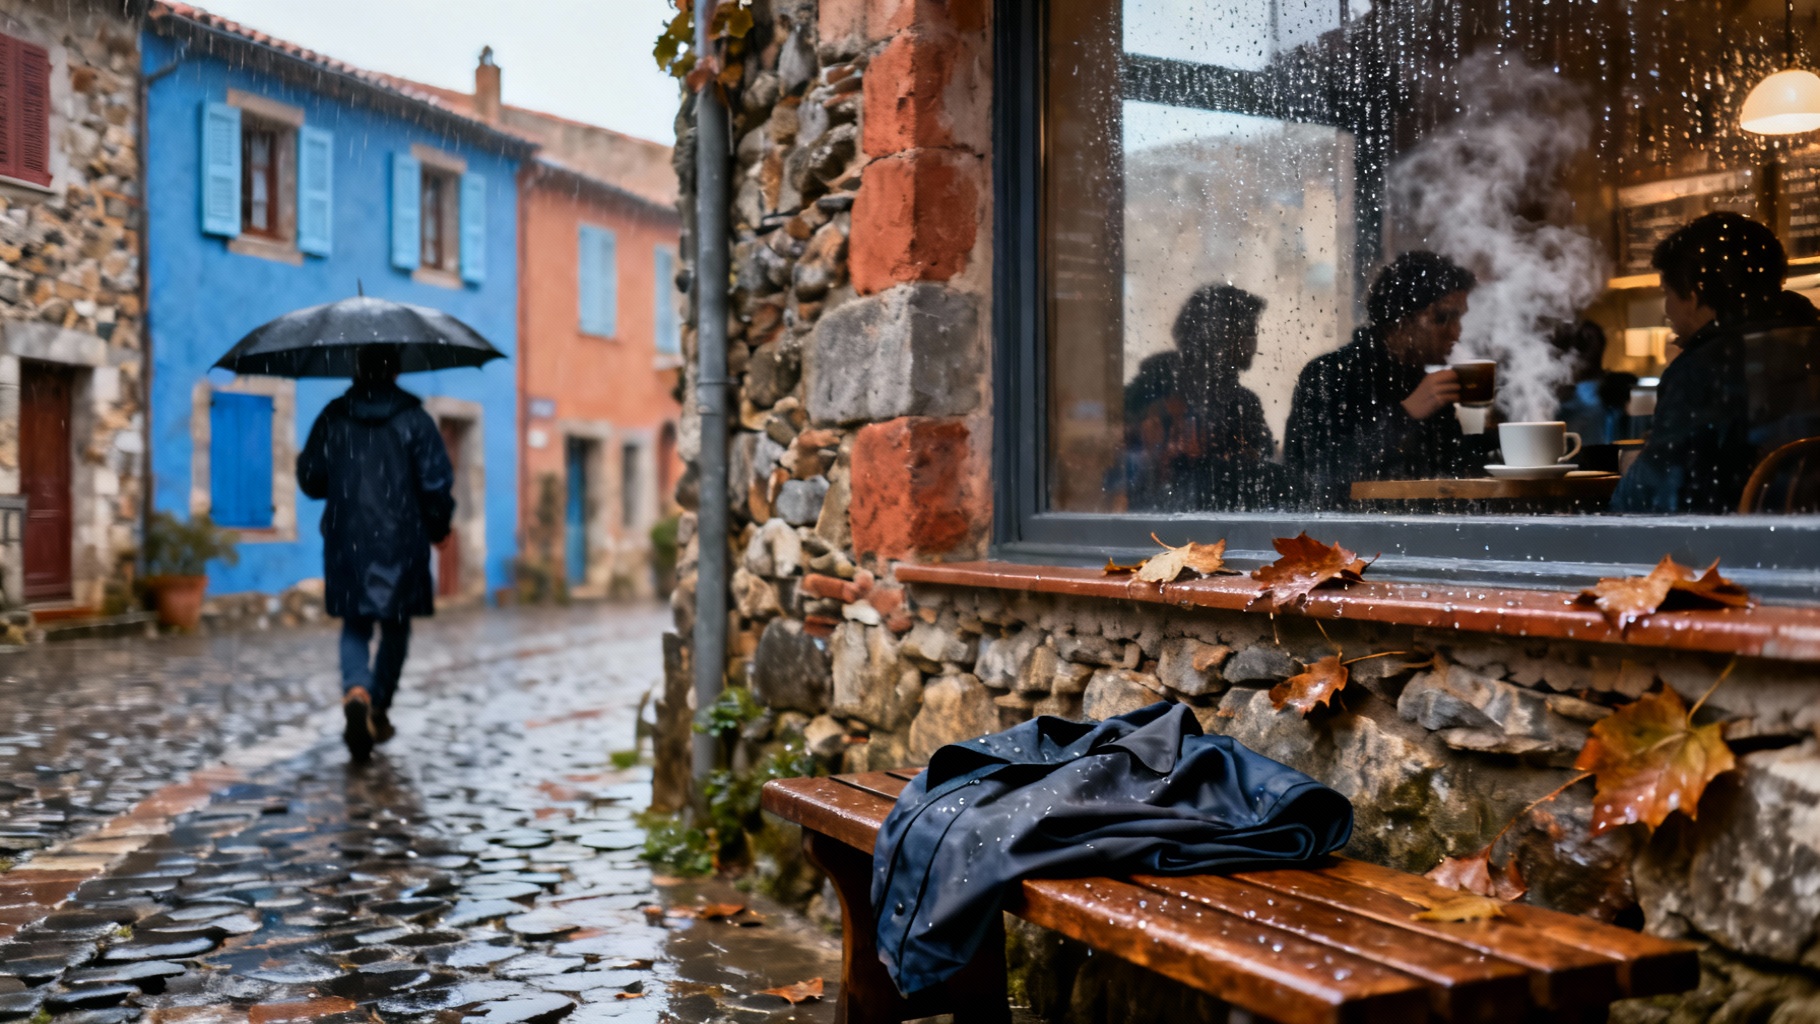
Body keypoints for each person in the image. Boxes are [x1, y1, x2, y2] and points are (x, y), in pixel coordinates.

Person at [298, 346, 455, 762]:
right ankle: (379, 707)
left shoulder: (334, 416)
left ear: (357, 369)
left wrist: (342, 473)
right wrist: (440, 528)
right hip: (402, 539)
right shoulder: (416, 420)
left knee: (355, 621)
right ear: (397, 369)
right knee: (396, 625)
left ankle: (356, 690)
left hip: (347, 535)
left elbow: (311, 479)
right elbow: (436, 483)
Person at [1611, 212, 1820, 514]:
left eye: (1667, 293)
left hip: (1742, 552)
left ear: (1693, 295)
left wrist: (1637, 466)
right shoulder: (1808, 342)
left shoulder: (1706, 369)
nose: (1667, 310)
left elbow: (1651, 500)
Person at [1284, 251, 1490, 506]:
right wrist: (1405, 415)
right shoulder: (1331, 373)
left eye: (1459, 318)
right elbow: (1315, 478)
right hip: (1346, 537)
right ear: (1401, 321)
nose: (1456, 333)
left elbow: (1453, 472)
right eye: (1443, 318)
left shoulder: (1424, 382)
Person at [1123, 285, 1289, 510]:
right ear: (1218, 336)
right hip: (1161, 524)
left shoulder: (1242, 402)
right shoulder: (1155, 393)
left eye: (1253, 332)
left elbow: (1261, 470)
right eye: (1247, 332)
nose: (1253, 342)